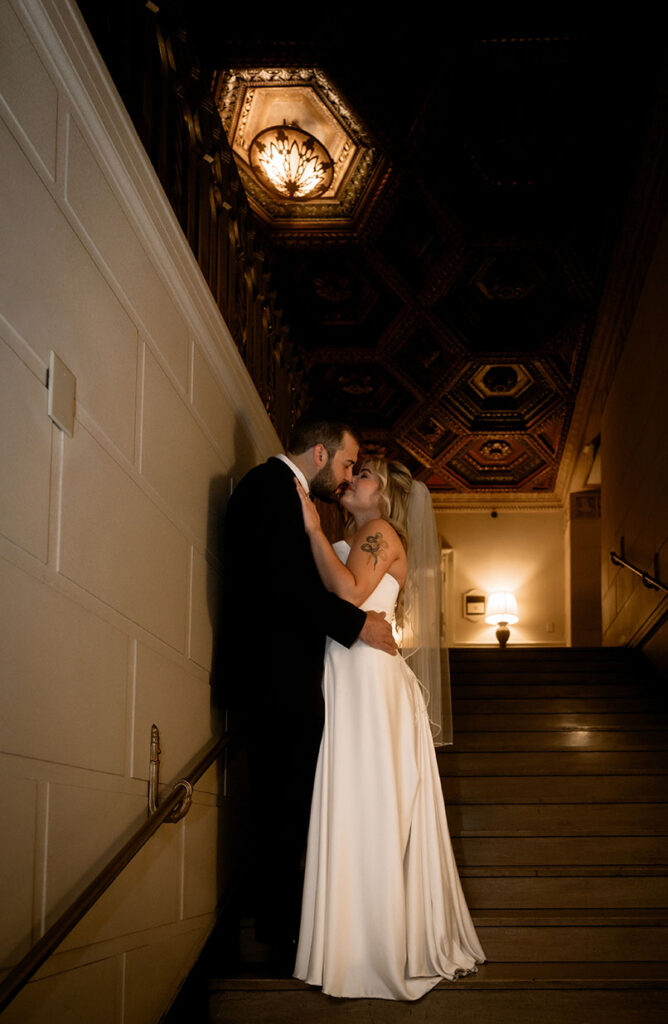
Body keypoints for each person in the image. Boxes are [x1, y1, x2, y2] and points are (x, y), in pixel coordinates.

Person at [293, 457, 485, 999]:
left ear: (388, 497)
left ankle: (369, 948)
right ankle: (355, 945)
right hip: (352, 671)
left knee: (366, 803)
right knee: (357, 801)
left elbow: (351, 596)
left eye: (366, 475)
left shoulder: (379, 531)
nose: (352, 480)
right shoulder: (359, 534)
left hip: (368, 680)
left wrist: (311, 530)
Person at [221, 419, 396, 963]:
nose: (347, 476)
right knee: (282, 808)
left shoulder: (282, 491)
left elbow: (294, 584)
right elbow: (285, 586)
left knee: (286, 806)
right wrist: (357, 625)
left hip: (285, 677)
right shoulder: (273, 487)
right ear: (320, 453)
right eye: (346, 463)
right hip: (276, 677)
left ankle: (284, 928)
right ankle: (278, 936)